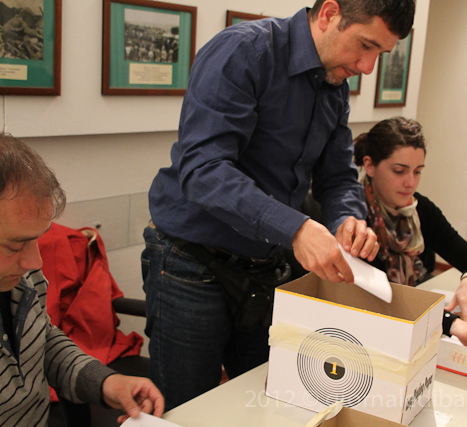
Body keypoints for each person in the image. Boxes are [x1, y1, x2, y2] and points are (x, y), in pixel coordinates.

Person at [143, 0, 415, 410]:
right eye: (365, 45)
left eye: (381, 53)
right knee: (189, 410)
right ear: (329, 14)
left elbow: (337, 176)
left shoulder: (334, 84)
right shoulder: (244, 52)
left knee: (269, 402)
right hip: (191, 264)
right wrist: (296, 228)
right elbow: (204, 169)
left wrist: (347, 219)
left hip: (262, 269)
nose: (367, 67)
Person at [0, 134, 164, 425]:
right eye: (14, 246)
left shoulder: (23, 278)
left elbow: (41, 341)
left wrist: (105, 382)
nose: (35, 262)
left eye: (38, 238)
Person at [353, 117, 467, 349]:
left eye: (417, 172)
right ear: (370, 165)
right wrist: (452, 324)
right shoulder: (351, 215)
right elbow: (381, 299)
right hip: (363, 335)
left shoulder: (420, 209)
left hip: (412, 330)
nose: (410, 183)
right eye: (399, 171)